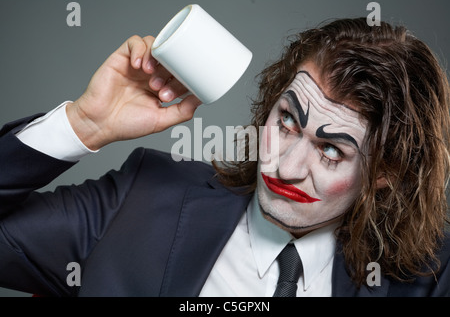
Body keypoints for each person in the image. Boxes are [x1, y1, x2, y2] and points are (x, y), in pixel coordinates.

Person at [0, 17, 449, 297]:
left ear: (384, 174)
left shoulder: (432, 274)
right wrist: (84, 125)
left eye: (331, 149)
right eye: (287, 120)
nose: (284, 166)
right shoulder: (142, 197)